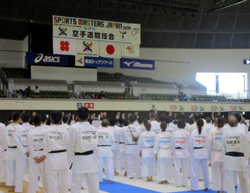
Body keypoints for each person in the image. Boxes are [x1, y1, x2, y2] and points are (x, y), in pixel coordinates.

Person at [69, 107, 99, 193]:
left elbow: (71, 145)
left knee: (75, 186)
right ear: (89, 116)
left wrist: (70, 159)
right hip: (91, 159)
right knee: (94, 186)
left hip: (79, 159)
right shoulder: (94, 129)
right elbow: (96, 146)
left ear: (77, 116)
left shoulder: (73, 128)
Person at [43, 111, 69, 193]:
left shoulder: (47, 131)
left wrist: (46, 156)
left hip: (52, 157)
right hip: (63, 157)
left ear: (51, 119)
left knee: (52, 181)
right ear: (61, 119)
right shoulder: (65, 131)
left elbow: (44, 146)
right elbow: (68, 144)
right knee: (64, 181)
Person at [221, 116, 248, 193]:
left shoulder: (225, 134)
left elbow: (223, 148)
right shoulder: (242, 133)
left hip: (229, 159)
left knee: (230, 182)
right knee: (243, 182)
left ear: (229, 124)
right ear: (237, 123)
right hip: (240, 159)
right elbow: (245, 146)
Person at [27, 115, 48, 193]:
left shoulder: (30, 132)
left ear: (33, 123)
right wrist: (45, 155)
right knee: (46, 178)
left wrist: (35, 157)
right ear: (41, 122)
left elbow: (30, 146)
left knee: (32, 177)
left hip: (34, 155)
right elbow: (47, 144)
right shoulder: (46, 131)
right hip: (44, 155)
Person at [15, 112, 34, 193]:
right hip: (31, 151)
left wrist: (24, 151)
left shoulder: (18, 128)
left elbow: (17, 141)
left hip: (22, 151)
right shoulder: (33, 128)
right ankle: (32, 190)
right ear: (30, 119)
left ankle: (18, 189)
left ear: (21, 119)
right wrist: (30, 151)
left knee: (19, 171)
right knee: (32, 172)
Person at [189, 119, 210, 192]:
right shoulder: (206, 133)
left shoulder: (193, 133)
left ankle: (193, 187)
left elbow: (190, 144)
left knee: (194, 171)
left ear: (196, 125)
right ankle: (206, 186)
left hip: (195, 152)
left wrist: (191, 153)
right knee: (205, 171)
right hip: (204, 152)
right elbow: (208, 145)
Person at [207, 117, 226, 193]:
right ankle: (224, 190)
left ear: (216, 123)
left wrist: (210, 152)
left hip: (215, 153)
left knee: (216, 173)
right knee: (224, 173)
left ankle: (218, 189)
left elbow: (209, 144)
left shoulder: (212, 132)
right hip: (224, 154)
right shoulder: (226, 132)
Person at [4, 112, 22, 192]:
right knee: (18, 170)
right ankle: (16, 187)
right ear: (18, 118)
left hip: (9, 149)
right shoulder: (20, 128)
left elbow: (4, 139)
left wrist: (6, 148)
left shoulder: (7, 127)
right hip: (18, 151)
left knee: (10, 170)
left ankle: (11, 187)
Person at [172, 119, 190, 187]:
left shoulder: (175, 133)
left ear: (177, 125)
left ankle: (178, 183)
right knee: (185, 168)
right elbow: (189, 143)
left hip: (177, 151)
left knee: (177, 168)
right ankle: (184, 183)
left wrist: (173, 151)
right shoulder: (187, 133)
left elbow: (173, 144)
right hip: (185, 150)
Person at [96, 119, 114, 183]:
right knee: (109, 165)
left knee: (99, 165)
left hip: (99, 148)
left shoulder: (97, 131)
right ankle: (109, 179)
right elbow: (112, 141)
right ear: (107, 125)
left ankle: (99, 179)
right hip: (108, 148)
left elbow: (95, 140)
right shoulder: (110, 131)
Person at [0, 120, 6, 187]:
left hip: (1, 145)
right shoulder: (2, 126)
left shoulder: (2, 126)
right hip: (1, 146)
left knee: (2, 164)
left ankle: (2, 181)